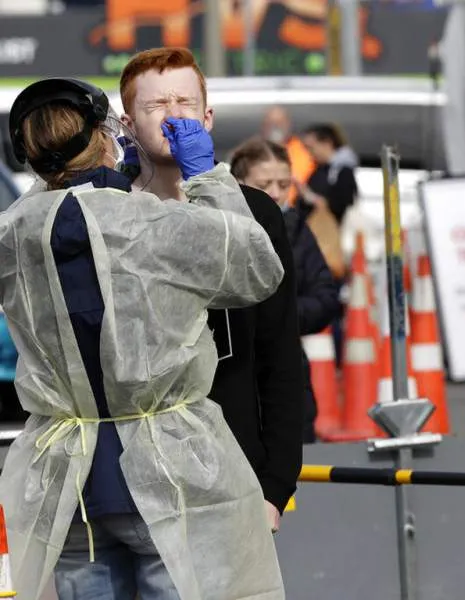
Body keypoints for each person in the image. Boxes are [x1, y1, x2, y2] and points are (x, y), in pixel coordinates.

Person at [0, 77, 285, 599]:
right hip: (171, 475)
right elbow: (255, 270)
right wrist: (208, 177)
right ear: (108, 135)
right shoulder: (152, 221)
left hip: (68, 487)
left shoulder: (12, 235)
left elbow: (57, 211)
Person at [118, 47, 304, 536]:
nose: (174, 116)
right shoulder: (107, 211)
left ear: (208, 117)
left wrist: (275, 487)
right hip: (130, 480)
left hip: (234, 469)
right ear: (127, 124)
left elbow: (280, 354)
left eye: (185, 103)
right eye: (156, 106)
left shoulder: (255, 212)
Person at [230, 137, 340, 443]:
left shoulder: (296, 228)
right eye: (265, 184)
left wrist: (280, 317)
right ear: (237, 183)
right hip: (232, 379)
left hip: (287, 374)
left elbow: (326, 297)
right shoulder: (221, 230)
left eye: (284, 183)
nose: (276, 193)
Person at [299, 123, 359, 225]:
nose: (309, 153)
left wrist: (311, 198)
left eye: (311, 147)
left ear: (327, 143)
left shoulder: (342, 170)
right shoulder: (321, 168)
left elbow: (343, 203)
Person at [262, 106, 316, 206]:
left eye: (280, 122)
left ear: (288, 124)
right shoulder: (254, 152)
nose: (275, 126)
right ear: (264, 126)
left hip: (296, 211)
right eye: (271, 123)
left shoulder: (305, 151)